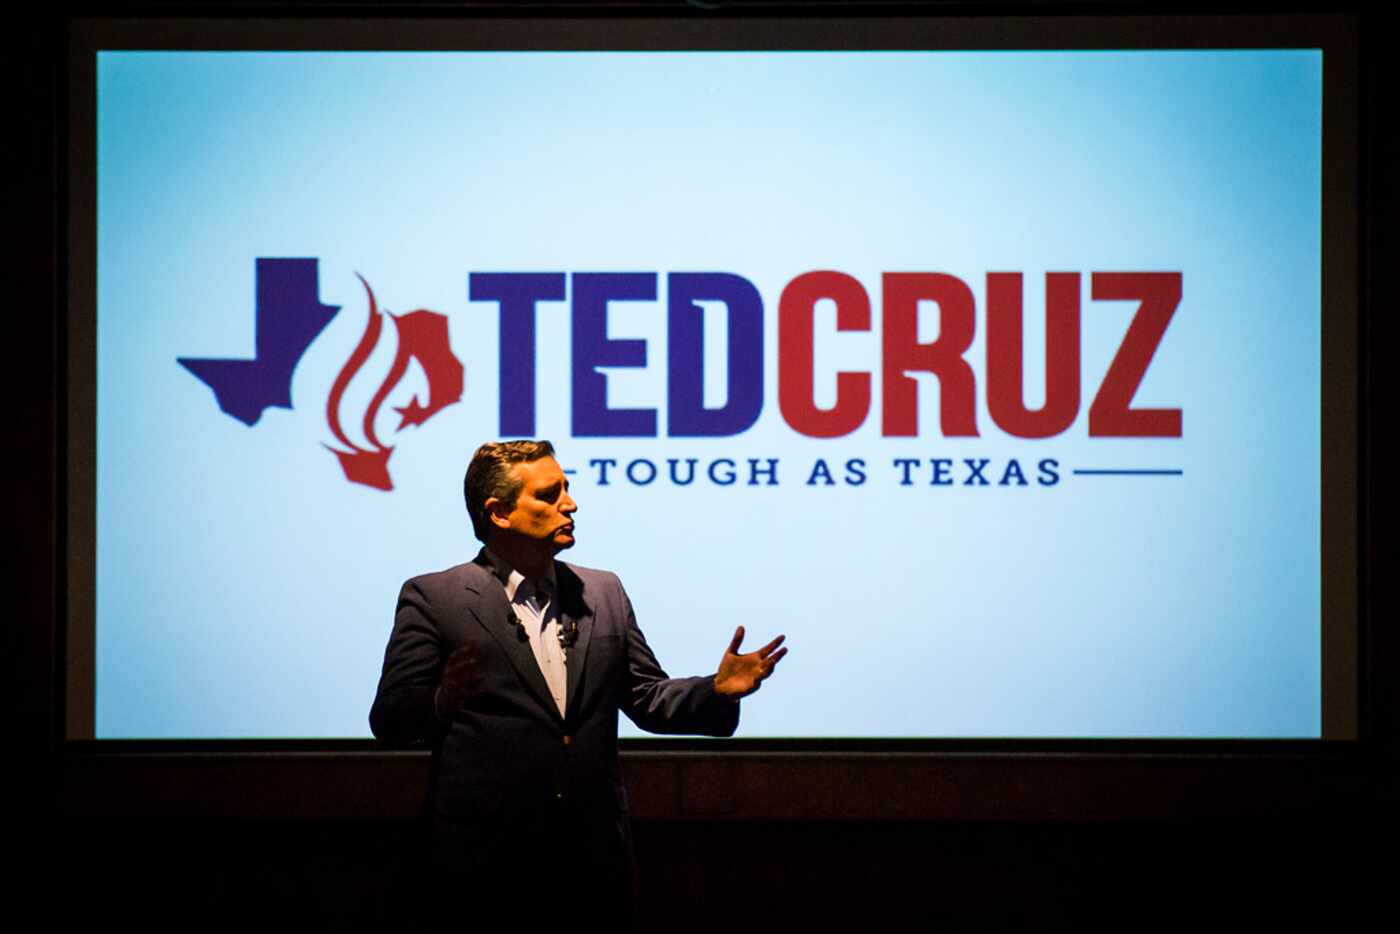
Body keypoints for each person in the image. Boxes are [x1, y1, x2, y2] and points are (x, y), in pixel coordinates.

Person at [369, 439, 785, 928]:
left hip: (592, 867)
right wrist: (442, 702)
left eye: (567, 488)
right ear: (499, 513)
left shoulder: (602, 590)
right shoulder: (435, 597)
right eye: (549, 494)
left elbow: (647, 698)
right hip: (483, 871)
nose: (570, 503)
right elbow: (391, 719)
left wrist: (715, 689)